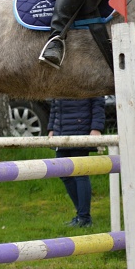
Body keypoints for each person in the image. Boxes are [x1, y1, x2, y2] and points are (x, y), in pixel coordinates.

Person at [48, 96, 107, 227]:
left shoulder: (89, 76)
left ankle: (84, 218)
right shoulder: (58, 78)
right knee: (63, 173)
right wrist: (52, 128)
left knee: (80, 173)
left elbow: (98, 102)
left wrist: (96, 129)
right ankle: (82, 215)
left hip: (81, 129)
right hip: (61, 132)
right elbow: (55, 104)